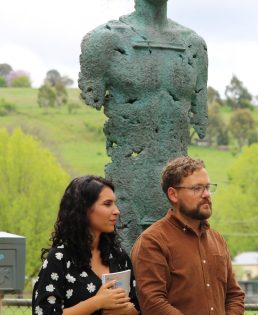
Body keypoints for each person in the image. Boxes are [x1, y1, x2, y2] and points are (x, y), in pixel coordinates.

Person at [79, 0, 209, 250]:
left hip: (180, 195)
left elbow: (198, 116)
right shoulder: (105, 41)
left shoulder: (193, 46)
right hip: (124, 191)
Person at [130, 156, 244, 314]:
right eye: (197, 188)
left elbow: (234, 295)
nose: (206, 195)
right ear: (173, 194)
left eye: (208, 187)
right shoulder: (152, 241)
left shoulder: (217, 239)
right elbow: (154, 304)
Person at [32, 176, 139, 315]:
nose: (116, 211)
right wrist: (97, 302)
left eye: (115, 203)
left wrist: (130, 311)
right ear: (84, 209)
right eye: (107, 204)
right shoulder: (59, 259)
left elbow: (137, 306)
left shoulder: (119, 257)